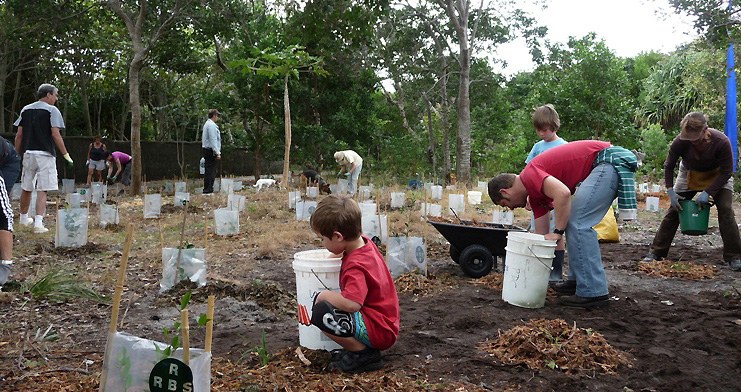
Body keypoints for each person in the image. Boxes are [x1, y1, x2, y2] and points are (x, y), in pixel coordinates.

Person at [488, 140, 638, 308]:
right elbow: (541, 238)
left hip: (608, 161)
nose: (511, 208)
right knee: (573, 221)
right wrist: (533, 277)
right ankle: (577, 280)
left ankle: (593, 291)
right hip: (601, 165)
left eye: (505, 204)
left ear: (505, 192)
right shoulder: (535, 196)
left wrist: (558, 231)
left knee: (578, 223)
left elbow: (563, 193)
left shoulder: (529, 174)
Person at [308, 194, 399, 372]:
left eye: (322, 239)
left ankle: (362, 354)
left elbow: (352, 304)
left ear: (338, 236)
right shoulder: (363, 243)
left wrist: (323, 295)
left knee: (321, 313)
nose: (322, 242)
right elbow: (341, 251)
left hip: (379, 330)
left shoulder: (355, 267)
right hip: (384, 322)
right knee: (330, 308)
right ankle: (359, 348)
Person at [643, 112, 741, 271]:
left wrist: (708, 192)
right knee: (674, 211)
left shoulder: (721, 141)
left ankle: (734, 256)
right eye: (689, 139)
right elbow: (668, 166)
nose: (693, 143)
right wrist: (670, 191)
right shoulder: (680, 142)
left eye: (696, 139)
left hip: (717, 175)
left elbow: (726, 172)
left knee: (726, 209)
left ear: (705, 131)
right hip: (689, 173)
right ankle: (656, 252)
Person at [14, 83, 73, 234]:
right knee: (42, 189)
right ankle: (38, 223)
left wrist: (16, 153)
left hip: (28, 153)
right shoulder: (52, 110)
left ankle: (23, 219)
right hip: (45, 154)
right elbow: (55, 134)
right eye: (55, 94)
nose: (56, 98)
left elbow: (19, 135)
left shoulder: (25, 109)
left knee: (26, 187)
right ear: (48, 95)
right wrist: (65, 154)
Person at [525, 104, 568, 283]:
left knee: (556, 234)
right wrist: (528, 194)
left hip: (556, 198)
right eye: (538, 131)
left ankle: (556, 271)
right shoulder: (537, 147)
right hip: (539, 197)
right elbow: (528, 171)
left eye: (544, 130)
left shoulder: (563, 146)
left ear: (554, 126)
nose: (541, 134)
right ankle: (540, 268)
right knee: (538, 232)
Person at [201, 109, 221, 194]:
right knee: (211, 170)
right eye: (217, 115)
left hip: (207, 149)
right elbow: (213, 140)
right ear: (214, 115)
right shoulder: (211, 125)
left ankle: (207, 188)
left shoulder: (207, 124)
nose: (218, 117)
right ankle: (208, 189)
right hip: (211, 150)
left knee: (209, 170)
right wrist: (217, 152)